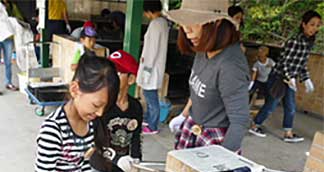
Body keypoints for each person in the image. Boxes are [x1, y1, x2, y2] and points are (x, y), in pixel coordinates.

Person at [167, 0, 250, 153]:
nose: (187, 31)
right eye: (184, 24)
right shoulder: (203, 49)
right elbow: (196, 91)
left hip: (215, 140)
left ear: (217, 22)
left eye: (194, 23)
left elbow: (240, 120)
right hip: (193, 124)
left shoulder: (230, 66)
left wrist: (223, 158)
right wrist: (183, 115)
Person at [249, 10, 321, 143]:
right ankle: (255, 126)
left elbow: (302, 64)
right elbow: (285, 62)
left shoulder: (309, 42)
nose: (315, 28)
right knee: (271, 105)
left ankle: (288, 133)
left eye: (317, 25)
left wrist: (306, 79)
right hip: (279, 78)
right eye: (312, 24)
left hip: (290, 79)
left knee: (291, 106)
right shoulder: (294, 41)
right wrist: (290, 77)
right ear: (303, 24)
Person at [136, 0, 169, 135]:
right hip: (155, 66)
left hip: (151, 67)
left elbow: (152, 50)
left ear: (149, 11)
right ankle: (149, 120)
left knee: (151, 97)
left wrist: (146, 71)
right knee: (149, 95)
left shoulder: (156, 24)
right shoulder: (163, 23)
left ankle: (152, 126)